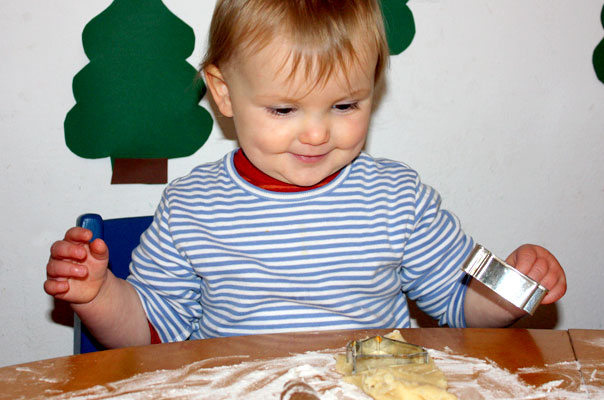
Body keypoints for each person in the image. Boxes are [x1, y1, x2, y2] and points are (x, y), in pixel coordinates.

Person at [45, 0, 566, 349]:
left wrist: (510, 292)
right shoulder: (191, 207)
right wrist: (99, 295)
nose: (317, 135)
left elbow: (458, 308)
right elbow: (154, 330)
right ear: (224, 93)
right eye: (284, 110)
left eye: (344, 105)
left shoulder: (398, 198)